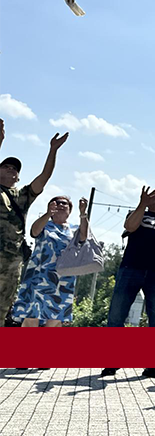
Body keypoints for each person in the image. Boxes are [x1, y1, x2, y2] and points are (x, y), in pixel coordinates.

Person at [102, 182, 155, 380]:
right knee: (116, 316)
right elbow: (130, 226)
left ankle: (152, 364)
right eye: (154, 195)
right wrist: (142, 204)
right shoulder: (137, 213)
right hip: (131, 268)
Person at [0, 119, 69, 324]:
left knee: (3, 311)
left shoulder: (22, 196)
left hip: (11, 264)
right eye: (6, 166)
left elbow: (44, 177)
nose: (12, 170)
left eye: (15, 169)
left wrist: (53, 150)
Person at [13, 196, 89, 327]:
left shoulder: (74, 229)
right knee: (32, 315)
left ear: (70, 210)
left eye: (64, 203)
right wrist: (48, 214)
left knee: (55, 319)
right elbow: (34, 232)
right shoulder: (45, 224)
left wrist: (83, 213)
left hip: (63, 280)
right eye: (56, 203)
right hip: (39, 276)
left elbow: (83, 237)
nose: (60, 205)